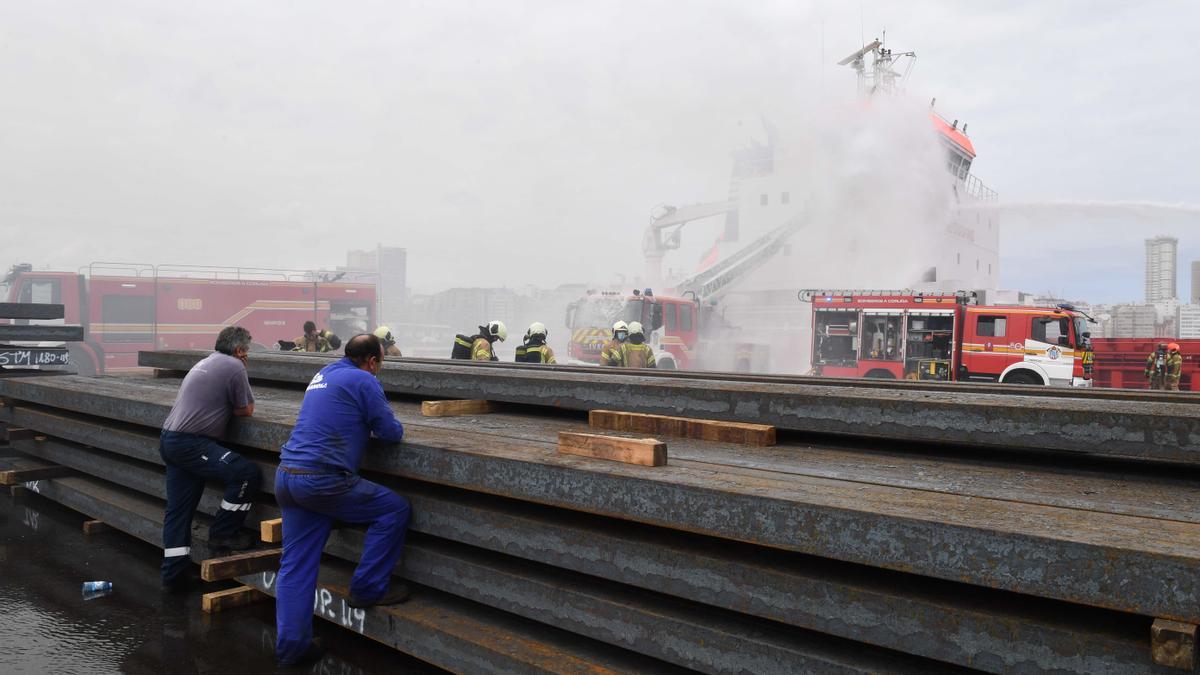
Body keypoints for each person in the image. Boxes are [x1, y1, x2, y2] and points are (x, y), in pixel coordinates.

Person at [274, 334, 410, 666]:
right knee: (394, 508)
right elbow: (391, 432)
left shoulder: (324, 373)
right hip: (322, 480)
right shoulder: (364, 380)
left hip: (288, 476)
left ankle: (292, 649)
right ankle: (366, 590)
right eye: (381, 362)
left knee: (295, 566)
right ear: (373, 361)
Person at [159, 326, 261, 592]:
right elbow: (245, 410)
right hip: (191, 443)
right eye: (246, 350)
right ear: (240, 350)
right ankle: (223, 534)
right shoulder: (234, 366)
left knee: (179, 511)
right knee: (245, 474)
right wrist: (242, 370)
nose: (246, 354)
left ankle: (173, 576)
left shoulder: (206, 361)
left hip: (170, 438)